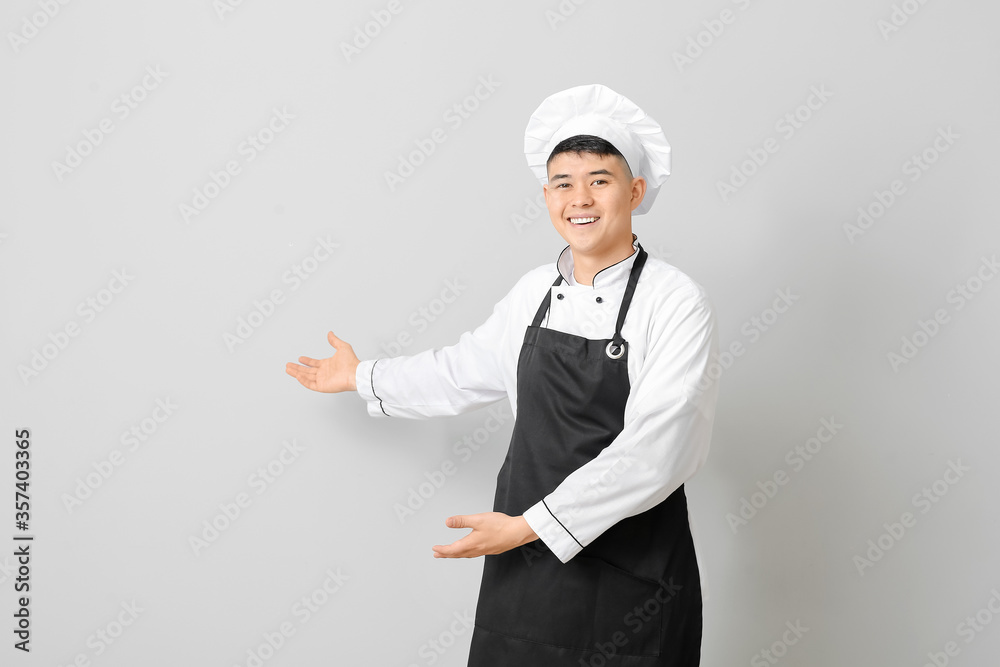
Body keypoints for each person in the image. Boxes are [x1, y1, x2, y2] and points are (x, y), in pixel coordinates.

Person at [285, 84, 720, 666]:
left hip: (629, 574)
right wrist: (363, 377)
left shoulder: (673, 301)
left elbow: (660, 447)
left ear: (635, 192)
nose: (580, 198)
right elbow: (462, 371)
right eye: (563, 183)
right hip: (528, 573)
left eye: (600, 180)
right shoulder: (534, 293)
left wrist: (532, 526)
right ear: (546, 196)